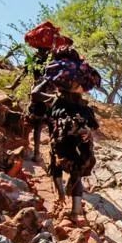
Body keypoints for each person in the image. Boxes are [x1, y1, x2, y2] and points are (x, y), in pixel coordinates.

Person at [48, 73, 98, 222]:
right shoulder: (65, 103)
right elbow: (53, 115)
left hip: (73, 143)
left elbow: (92, 125)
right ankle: (66, 202)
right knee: (65, 166)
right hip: (67, 141)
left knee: (72, 169)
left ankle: (70, 205)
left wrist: (86, 131)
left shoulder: (77, 106)